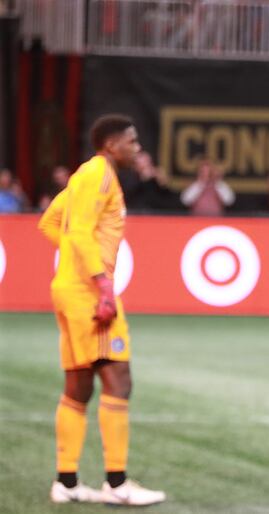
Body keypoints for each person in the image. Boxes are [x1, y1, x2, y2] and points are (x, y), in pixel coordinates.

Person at [38, 114, 166, 506]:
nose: (138, 148)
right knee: (118, 378)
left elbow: (51, 223)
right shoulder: (100, 175)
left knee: (79, 385)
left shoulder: (84, 175)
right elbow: (74, 230)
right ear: (112, 145)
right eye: (132, 141)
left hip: (73, 288)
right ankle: (116, 483)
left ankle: (68, 481)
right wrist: (102, 283)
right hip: (89, 293)